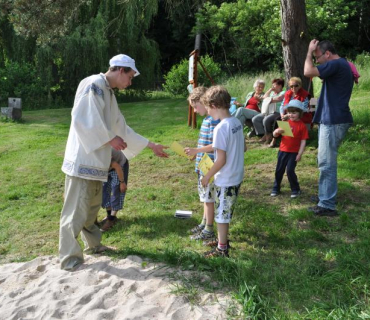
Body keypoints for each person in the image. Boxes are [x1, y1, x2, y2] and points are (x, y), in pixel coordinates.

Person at [59, 54, 168, 271]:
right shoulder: (94, 84)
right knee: (75, 211)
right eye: (130, 76)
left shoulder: (107, 91)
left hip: (96, 163)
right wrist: (109, 138)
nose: (130, 81)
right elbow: (82, 117)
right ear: (120, 70)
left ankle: (94, 245)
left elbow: (121, 128)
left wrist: (150, 145)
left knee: (90, 209)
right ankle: (69, 258)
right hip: (82, 161)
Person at [304, 39, 354, 216]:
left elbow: (307, 72)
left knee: (327, 163)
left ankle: (327, 204)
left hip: (333, 121)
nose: (316, 60)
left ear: (327, 54)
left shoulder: (335, 64)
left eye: (318, 56)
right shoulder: (341, 65)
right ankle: (324, 195)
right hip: (332, 120)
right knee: (324, 161)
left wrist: (309, 52)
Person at [200, 85, 245, 258]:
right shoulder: (236, 123)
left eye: (208, 108)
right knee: (223, 212)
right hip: (237, 175)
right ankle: (221, 239)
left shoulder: (220, 128)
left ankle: (222, 249)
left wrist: (207, 176)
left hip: (226, 179)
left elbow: (220, 160)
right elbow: (244, 147)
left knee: (222, 216)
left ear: (215, 105)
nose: (208, 112)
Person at [184, 87, 220, 242]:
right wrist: (196, 154)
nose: (194, 111)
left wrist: (196, 150)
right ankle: (204, 222)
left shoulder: (214, 120)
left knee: (209, 198)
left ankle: (209, 229)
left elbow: (215, 145)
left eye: (195, 107)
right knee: (205, 197)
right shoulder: (207, 120)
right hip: (203, 164)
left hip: (210, 166)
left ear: (203, 102)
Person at [270, 100, 309, 198]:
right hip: (283, 151)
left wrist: (300, 154)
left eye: (294, 113)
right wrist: (277, 131)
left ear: (300, 113)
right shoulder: (285, 123)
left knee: (290, 171)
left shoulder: (302, 126)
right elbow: (275, 135)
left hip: (294, 152)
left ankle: (295, 189)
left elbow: (303, 141)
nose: (291, 115)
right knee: (279, 170)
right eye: (289, 112)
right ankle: (276, 188)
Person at [269, 77, 310, 148]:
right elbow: (282, 106)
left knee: (287, 119)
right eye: (291, 86)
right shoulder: (288, 93)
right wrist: (282, 114)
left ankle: (288, 138)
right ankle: (275, 139)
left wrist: (288, 115)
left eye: (296, 85)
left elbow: (303, 108)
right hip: (288, 114)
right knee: (278, 119)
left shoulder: (304, 94)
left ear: (300, 85)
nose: (293, 87)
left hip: (300, 115)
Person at [99, 148, 129, 232]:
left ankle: (111, 219)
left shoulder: (103, 155)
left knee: (117, 189)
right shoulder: (88, 159)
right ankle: (109, 215)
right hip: (107, 168)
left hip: (119, 165)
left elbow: (117, 166)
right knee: (104, 190)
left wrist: (122, 182)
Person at [251, 78, 285, 144]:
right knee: (255, 119)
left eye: (274, 85)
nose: (273, 87)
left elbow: (278, 99)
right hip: (268, 111)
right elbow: (264, 97)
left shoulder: (284, 92)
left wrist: (268, 99)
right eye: (272, 85)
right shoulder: (272, 93)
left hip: (277, 112)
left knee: (266, 119)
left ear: (280, 86)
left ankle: (269, 136)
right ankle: (264, 134)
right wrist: (270, 90)